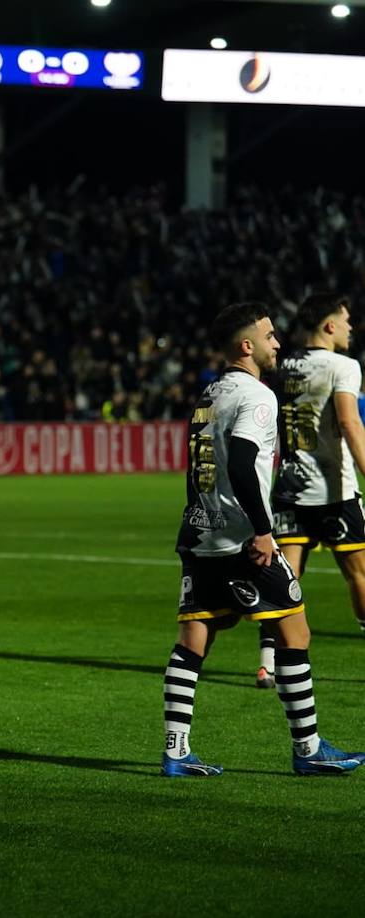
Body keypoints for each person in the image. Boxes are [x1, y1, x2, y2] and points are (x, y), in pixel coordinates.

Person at [163, 301, 360, 777]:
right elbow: (240, 465)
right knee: (296, 631)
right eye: (269, 336)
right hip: (240, 539)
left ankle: (175, 750)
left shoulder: (209, 394)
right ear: (246, 346)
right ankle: (308, 748)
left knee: (193, 640)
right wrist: (264, 531)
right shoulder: (257, 396)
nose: (277, 344)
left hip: (200, 535)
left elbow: (200, 471)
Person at [255, 294, 365, 686]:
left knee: (286, 578)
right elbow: (350, 424)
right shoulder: (344, 367)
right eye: (347, 319)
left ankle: (268, 662)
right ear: (330, 325)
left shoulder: (283, 365)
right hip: (334, 490)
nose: (352, 327)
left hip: (288, 488)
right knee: (359, 575)